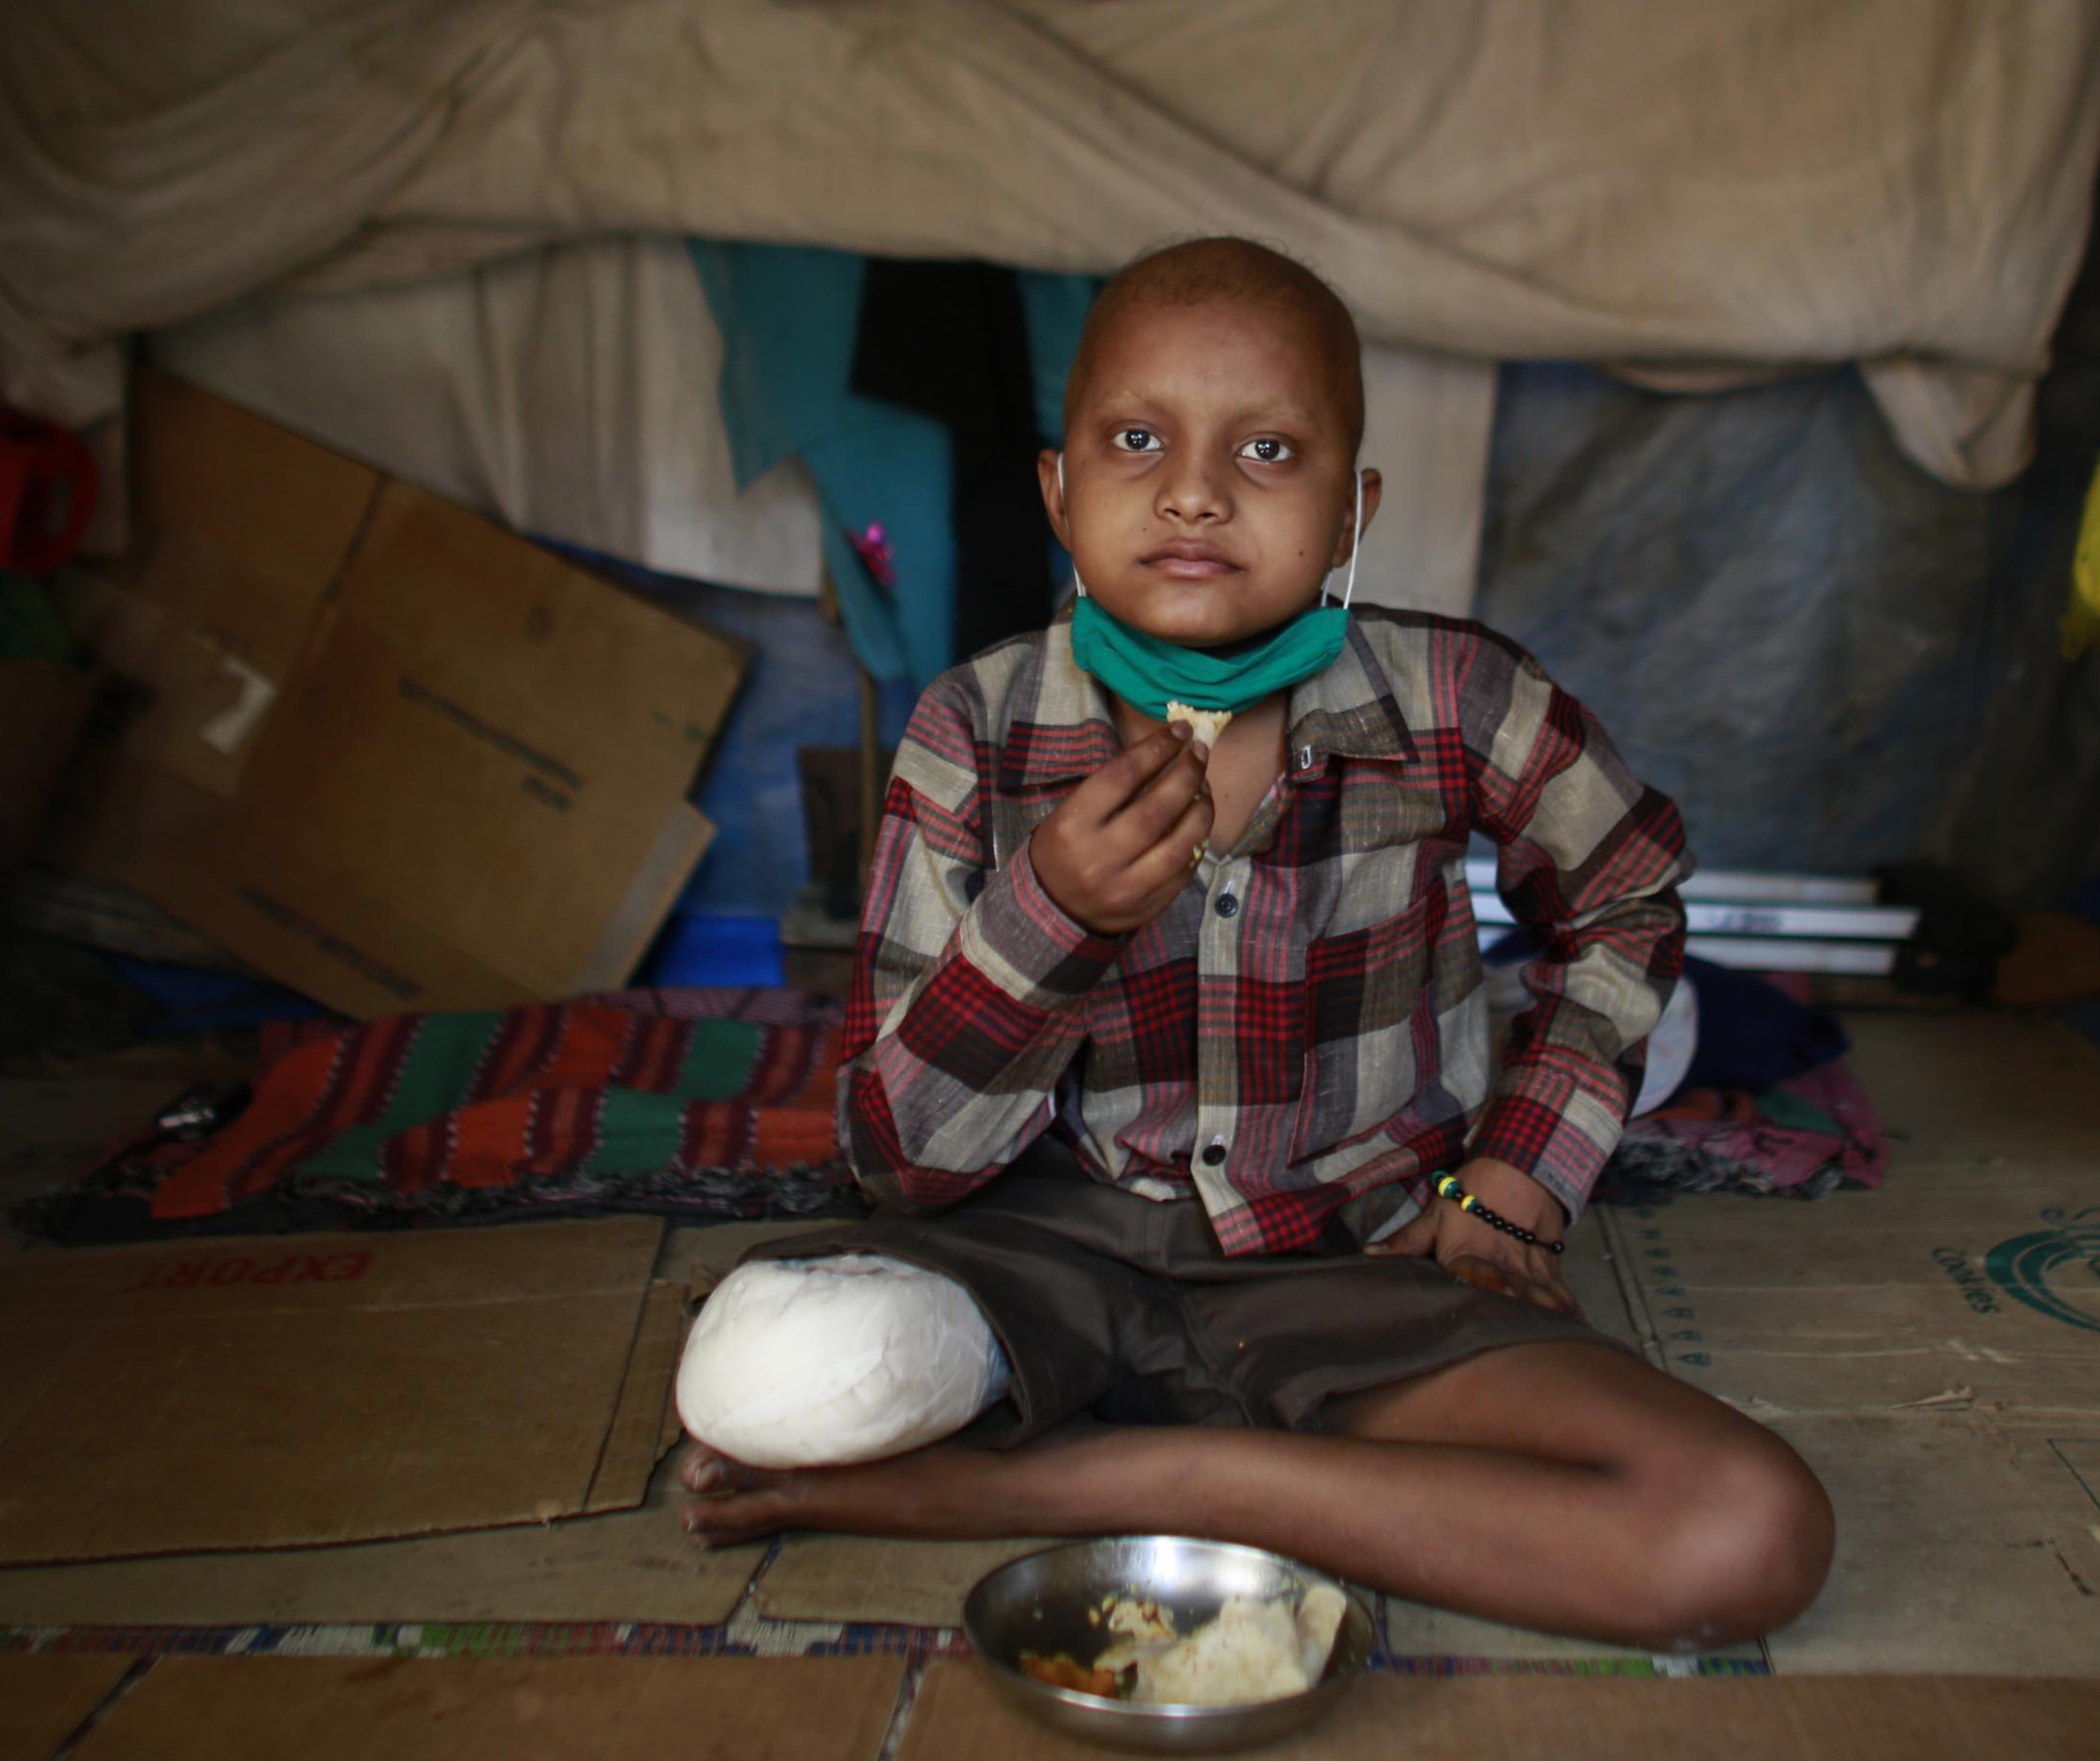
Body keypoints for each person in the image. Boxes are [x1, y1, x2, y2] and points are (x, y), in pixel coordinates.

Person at [676, 238, 1832, 1648]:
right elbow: (895, 1157)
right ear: (1059, 487)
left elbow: (1628, 897)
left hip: (1359, 1269)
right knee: (760, 1379)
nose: (1195, 489)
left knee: (1746, 1527)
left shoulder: (1458, 697)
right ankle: (1284, 1485)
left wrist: (1514, 1188)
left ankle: (1051, 1485)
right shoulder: (972, 729)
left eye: (1269, 449)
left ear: (1353, 511)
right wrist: (1054, 919)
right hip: (1036, 1259)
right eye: (1138, 438)